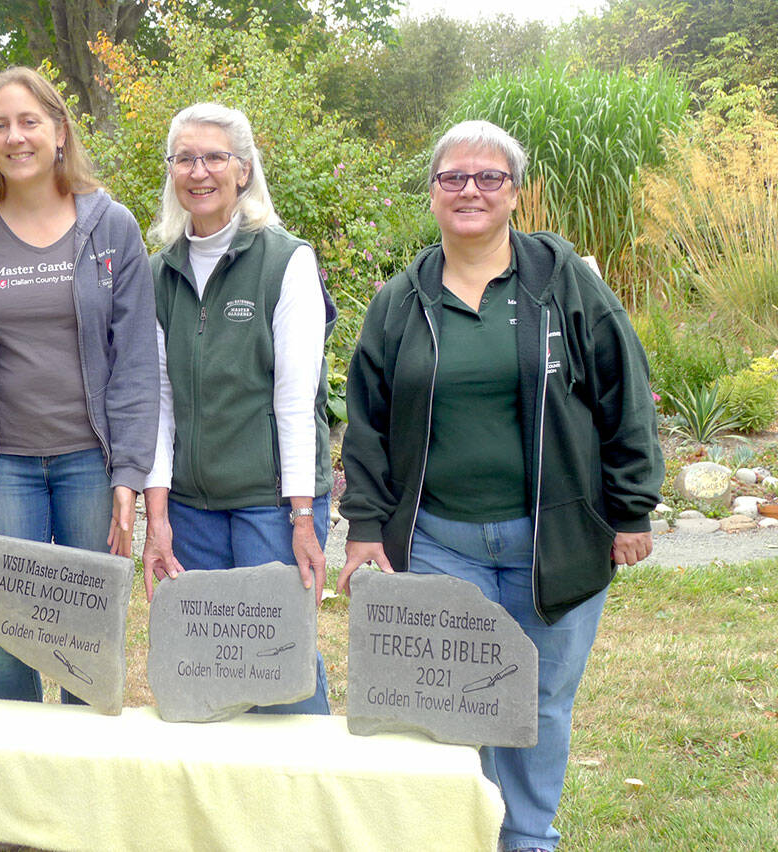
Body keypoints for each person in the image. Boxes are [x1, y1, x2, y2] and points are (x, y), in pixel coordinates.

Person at [335, 120, 663, 852]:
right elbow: (368, 422)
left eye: (490, 177)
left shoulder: (561, 280)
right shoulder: (401, 300)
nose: (471, 190)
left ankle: (527, 837)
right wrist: (364, 525)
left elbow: (624, 392)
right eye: (454, 177)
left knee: (541, 702)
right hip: (440, 544)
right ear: (433, 193)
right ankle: (461, 832)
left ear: (516, 192)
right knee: (453, 700)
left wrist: (632, 505)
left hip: (553, 538)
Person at [0, 67, 157, 705]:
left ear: (60, 131)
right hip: (8, 472)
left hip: (91, 461)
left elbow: (135, 362)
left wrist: (128, 476)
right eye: (0, 124)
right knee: (10, 638)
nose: (15, 136)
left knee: (86, 640)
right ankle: (16, 793)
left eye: (29, 121)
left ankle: (81, 789)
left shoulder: (112, 228)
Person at [140, 103, 337, 715]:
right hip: (192, 510)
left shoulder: (286, 261)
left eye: (214, 158)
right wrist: (158, 514)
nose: (199, 172)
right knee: (207, 680)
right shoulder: (158, 272)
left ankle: (306, 803)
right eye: (184, 159)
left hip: (270, 503)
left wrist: (302, 516)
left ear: (243, 170)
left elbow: (296, 398)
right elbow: (159, 401)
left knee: (279, 667)